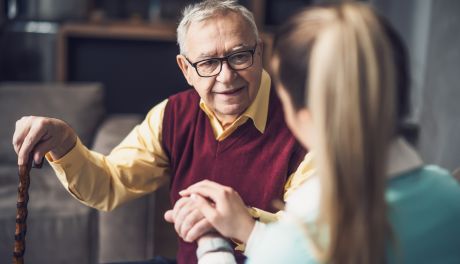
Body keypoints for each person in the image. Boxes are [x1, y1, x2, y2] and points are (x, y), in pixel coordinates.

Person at [11, 1, 312, 263]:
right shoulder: (172, 115)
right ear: (186, 69)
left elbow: (313, 244)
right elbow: (110, 184)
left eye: (239, 56)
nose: (226, 76)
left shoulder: (305, 122)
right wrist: (65, 143)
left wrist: (242, 220)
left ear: (259, 52)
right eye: (208, 62)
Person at [180, 2, 460, 264]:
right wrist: (252, 233)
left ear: (305, 113)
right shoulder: (450, 197)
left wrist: (212, 244)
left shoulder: (293, 246)